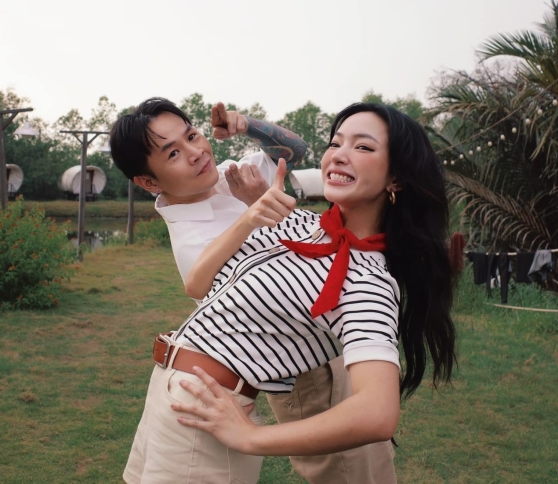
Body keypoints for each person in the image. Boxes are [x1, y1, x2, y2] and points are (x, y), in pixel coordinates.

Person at [110, 98, 398, 483]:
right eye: (174, 153)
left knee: (352, 471)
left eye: (192, 136)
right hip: (206, 380)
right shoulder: (196, 239)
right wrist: (254, 213)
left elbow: (293, 151)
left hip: (289, 361)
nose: (196, 153)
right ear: (149, 182)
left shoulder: (229, 176)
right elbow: (206, 285)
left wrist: (245, 125)